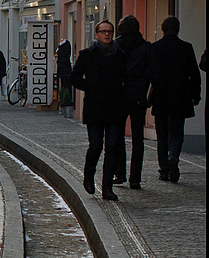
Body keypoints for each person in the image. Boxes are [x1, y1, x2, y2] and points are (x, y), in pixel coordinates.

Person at [70, 20, 127, 201]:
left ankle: (107, 187)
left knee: (112, 148)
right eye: (103, 31)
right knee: (95, 146)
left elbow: (127, 78)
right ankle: (89, 175)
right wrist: (90, 86)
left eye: (109, 31)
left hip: (114, 108)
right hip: (94, 107)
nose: (107, 34)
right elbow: (74, 77)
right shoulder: (87, 55)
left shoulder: (120, 55)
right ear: (97, 35)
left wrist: (121, 88)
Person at [149, 16, 201, 183]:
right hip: (181, 96)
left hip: (161, 96)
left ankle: (164, 169)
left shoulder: (155, 48)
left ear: (163, 29)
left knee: (162, 134)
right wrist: (195, 94)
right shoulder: (186, 48)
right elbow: (194, 74)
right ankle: (173, 157)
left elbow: (151, 73)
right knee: (177, 132)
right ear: (177, 29)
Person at [114, 15, 155, 189]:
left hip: (119, 96)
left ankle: (120, 172)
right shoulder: (147, 48)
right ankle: (135, 178)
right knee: (138, 138)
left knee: (117, 135)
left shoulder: (115, 46)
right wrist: (149, 96)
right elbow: (153, 73)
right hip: (138, 96)